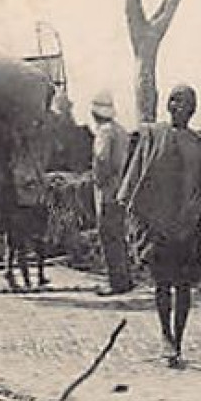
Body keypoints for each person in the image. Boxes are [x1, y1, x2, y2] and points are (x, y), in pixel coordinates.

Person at [118, 84, 201, 367]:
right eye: (173, 100)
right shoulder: (151, 135)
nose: (176, 106)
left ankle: (178, 340)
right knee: (162, 285)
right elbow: (135, 173)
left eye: (183, 101)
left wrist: (195, 213)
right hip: (158, 224)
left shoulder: (198, 145)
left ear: (192, 109)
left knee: (183, 287)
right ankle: (165, 335)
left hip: (187, 224)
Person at [89, 90, 133, 296]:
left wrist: (99, 180)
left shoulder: (104, 132)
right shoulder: (121, 131)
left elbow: (101, 159)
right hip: (121, 188)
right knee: (118, 235)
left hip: (107, 191)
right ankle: (124, 277)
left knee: (108, 236)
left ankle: (115, 280)